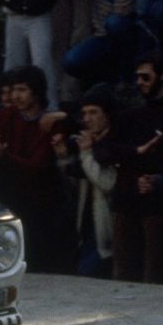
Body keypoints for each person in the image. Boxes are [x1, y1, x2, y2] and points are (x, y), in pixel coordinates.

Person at [0, 65, 72, 272]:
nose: (16, 96)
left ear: (36, 92)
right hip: (8, 193)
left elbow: (39, 166)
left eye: (22, 90)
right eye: (14, 90)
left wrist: (4, 156)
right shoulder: (7, 115)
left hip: (39, 201)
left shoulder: (50, 122)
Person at [93, 54, 163, 282]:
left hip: (158, 206)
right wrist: (136, 151)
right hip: (126, 203)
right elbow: (102, 151)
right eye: (138, 77)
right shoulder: (130, 115)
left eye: (146, 77)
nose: (139, 82)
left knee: (154, 275)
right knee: (123, 273)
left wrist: (158, 180)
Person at [52, 85, 118, 277]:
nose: (87, 119)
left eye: (93, 112)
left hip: (107, 233)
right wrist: (64, 158)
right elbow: (76, 188)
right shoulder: (89, 142)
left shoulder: (116, 143)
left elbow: (107, 183)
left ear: (107, 114)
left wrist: (86, 153)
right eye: (84, 113)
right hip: (87, 229)